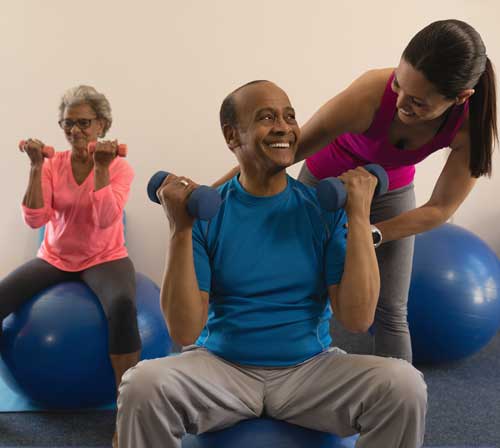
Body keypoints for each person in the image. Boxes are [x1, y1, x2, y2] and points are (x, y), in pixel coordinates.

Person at [116, 80, 427, 448]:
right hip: (221, 368)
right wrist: (180, 229)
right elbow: (184, 332)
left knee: (404, 385)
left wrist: (358, 216)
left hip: (310, 370)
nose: (284, 127)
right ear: (233, 136)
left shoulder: (320, 211)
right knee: (141, 385)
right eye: (266, 117)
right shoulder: (207, 213)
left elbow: (357, 319)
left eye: (290, 116)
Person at [214, 19, 497, 362]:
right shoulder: (371, 92)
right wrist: (212, 195)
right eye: (399, 85)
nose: (400, 103)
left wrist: (371, 233)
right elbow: (283, 151)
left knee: (392, 309)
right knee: (301, 292)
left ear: (460, 98)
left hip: (389, 189)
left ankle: (399, 404)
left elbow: (440, 209)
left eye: (418, 103)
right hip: (321, 184)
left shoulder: (471, 126)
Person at [0, 85, 141, 398]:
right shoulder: (52, 165)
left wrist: (101, 168)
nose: (75, 131)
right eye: (67, 123)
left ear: (102, 125)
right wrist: (36, 166)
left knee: (123, 305)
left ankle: (127, 406)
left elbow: (105, 218)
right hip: (55, 257)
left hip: (106, 257)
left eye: (83, 123)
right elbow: (35, 219)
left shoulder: (119, 167)